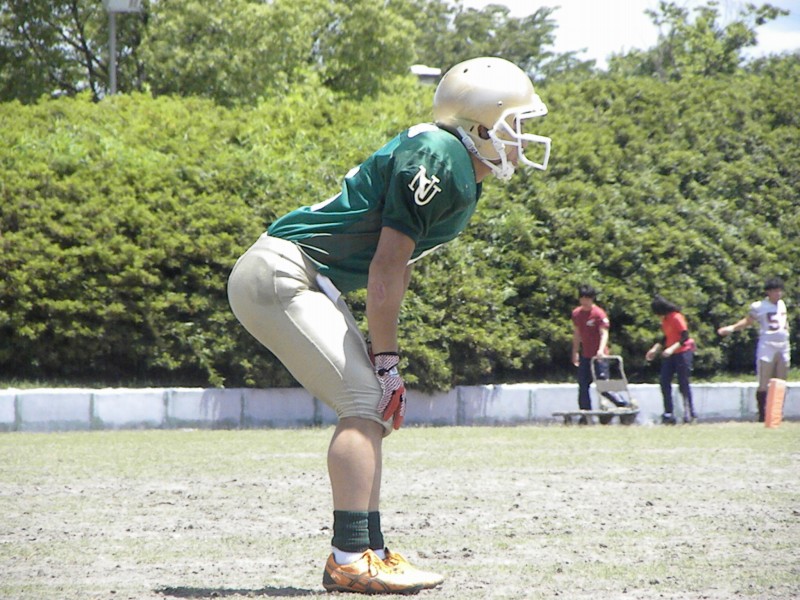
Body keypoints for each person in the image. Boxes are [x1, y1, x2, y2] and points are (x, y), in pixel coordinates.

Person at [226, 57, 551, 594]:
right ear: (480, 128)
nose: (521, 137)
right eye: (513, 124)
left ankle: (369, 551)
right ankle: (349, 557)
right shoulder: (439, 157)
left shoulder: (453, 162)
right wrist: (387, 363)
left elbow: (394, 267)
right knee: (363, 399)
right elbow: (385, 268)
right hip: (283, 273)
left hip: (301, 276)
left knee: (372, 406)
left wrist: (386, 364)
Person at [717, 277, 791, 422]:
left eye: (779, 291)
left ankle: (776, 414)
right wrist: (731, 328)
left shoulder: (782, 305)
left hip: (783, 345)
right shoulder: (760, 306)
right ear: (768, 292)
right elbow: (748, 321)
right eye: (775, 291)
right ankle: (762, 414)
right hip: (767, 345)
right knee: (764, 380)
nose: (778, 294)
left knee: (781, 381)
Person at [571, 284, 630, 420]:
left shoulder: (598, 314)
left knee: (603, 386)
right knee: (583, 386)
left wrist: (601, 350)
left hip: (599, 357)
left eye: (587, 299)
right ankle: (585, 415)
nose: (585, 302)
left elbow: (604, 333)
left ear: (592, 299)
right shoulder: (577, 314)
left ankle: (623, 405)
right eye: (582, 298)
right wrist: (575, 351)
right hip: (586, 356)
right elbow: (577, 333)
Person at [645, 295, 696, 424]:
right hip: (670, 354)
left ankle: (689, 413)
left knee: (683, 383)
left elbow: (684, 336)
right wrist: (655, 349)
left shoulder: (676, 317)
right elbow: (666, 337)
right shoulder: (665, 320)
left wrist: (671, 349)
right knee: (664, 381)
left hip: (682, 352)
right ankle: (668, 413)